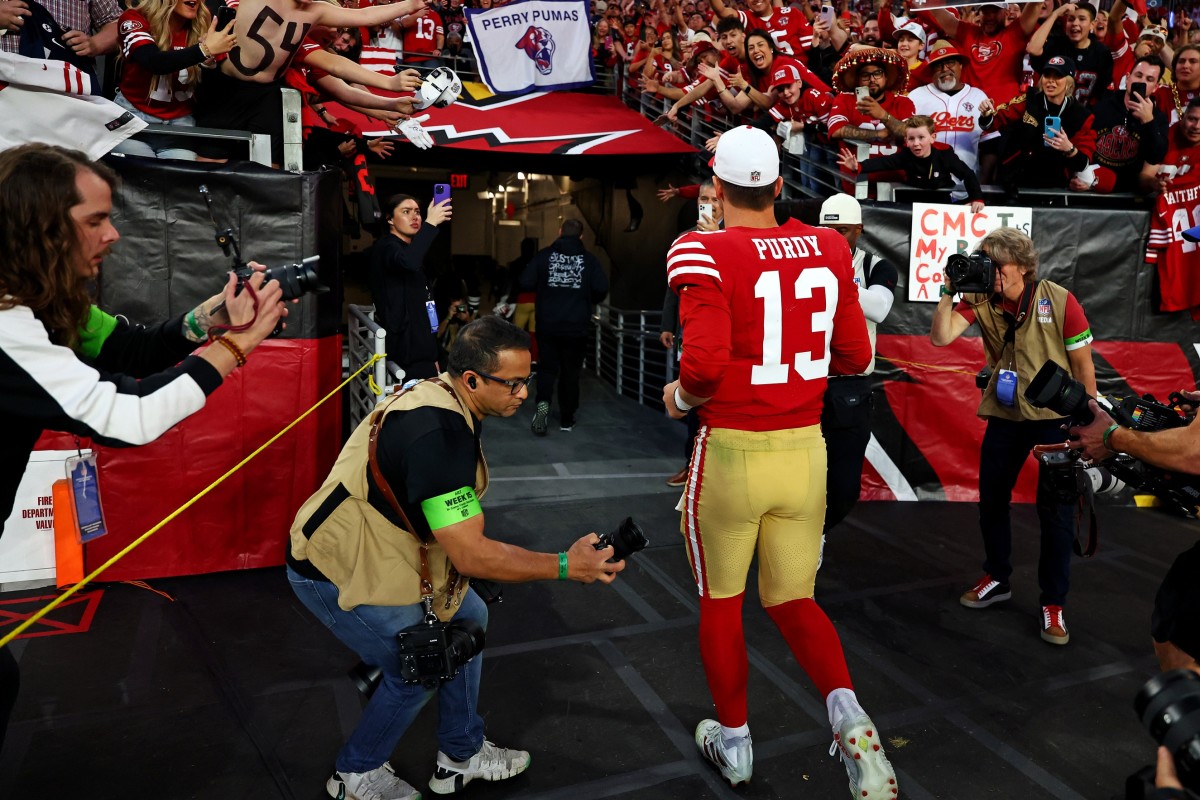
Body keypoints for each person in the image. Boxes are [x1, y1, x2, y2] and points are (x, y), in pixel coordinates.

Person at [0, 142, 287, 754]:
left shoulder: (39, 306)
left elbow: (125, 351)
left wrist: (207, 321)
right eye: (96, 221)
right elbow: (127, 415)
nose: (115, 236)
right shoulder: (7, 328)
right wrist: (239, 346)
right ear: (43, 229)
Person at [287, 315, 624, 800]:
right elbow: (470, 555)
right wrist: (568, 565)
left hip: (384, 549)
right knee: (419, 670)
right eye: (512, 384)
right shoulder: (439, 437)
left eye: (527, 380)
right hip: (330, 568)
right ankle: (354, 774)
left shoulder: (441, 395)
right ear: (470, 380)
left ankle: (459, 757)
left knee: (472, 614)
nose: (524, 394)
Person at [660, 125, 897, 798]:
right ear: (780, 185)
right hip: (805, 449)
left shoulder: (702, 248)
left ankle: (735, 743)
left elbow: (702, 367)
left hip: (733, 451)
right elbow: (856, 357)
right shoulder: (826, 245)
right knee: (795, 598)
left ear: (716, 186)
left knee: (721, 601)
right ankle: (850, 717)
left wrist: (678, 396)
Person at [929, 227, 1097, 645]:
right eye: (986, 264)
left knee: (1056, 514)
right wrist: (948, 290)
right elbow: (941, 336)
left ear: (1023, 266)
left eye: (998, 265)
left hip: (1054, 417)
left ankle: (1053, 603)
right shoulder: (980, 298)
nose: (992, 273)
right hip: (1006, 413)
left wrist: (1091, 421)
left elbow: (1083, 369)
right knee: (991, 502)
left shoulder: (1059, 300)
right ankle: (998, 578)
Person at [817, 193, 897, 534]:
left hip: (849, 384)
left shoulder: (874, 265)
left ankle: (814, 537)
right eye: (826, 230)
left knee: (844, 485)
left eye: (843, 231)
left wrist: (837, 279)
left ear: (859, 231)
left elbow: (879, 308)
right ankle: (797, 546)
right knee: (794, 479)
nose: (834, 238)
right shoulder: (804, 259)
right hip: (805, 379)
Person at [112, 0, 238, 161]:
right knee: (142, 176)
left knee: (178, 181)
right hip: (134, 117)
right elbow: (153, 61)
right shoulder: (134, 18)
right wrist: (203, 50)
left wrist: (208, 64)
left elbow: (213, 93)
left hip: (180, 124)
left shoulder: (204, 24)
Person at [518, 218, 609, 435]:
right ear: (581, 236)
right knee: (570, 373)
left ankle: (542, 407)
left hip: (548, 326)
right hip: (576, 328)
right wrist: (584, 298)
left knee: (547, 369)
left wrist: (546, 287)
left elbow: (525, 282)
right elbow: (601, 288)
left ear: (559, 232)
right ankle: (567, 419)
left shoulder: (544, 256)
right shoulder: (589, 260)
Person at [660, 179, 723, 487]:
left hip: (723, 342)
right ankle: (691, 465)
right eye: (703, 198)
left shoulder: (734, 239)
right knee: (692, 408)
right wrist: (666, 325)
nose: (707, 204)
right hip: (691, 338)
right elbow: (674, 289)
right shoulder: (685, 239)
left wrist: (717, 242)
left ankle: (710, 471)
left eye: (713, 199)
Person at [369, 191, 453, 381]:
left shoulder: (410, 248)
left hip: (423, 348)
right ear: (390, 219)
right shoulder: (387, 247)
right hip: (407, 351)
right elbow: (408, 262)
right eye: (406, 212)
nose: (415, 217)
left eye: (417, 212)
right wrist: (430, 224)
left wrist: (435, 352)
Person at [989, 55, 1097, 191]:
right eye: (1047, 75)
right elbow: (994, 121)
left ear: (1069, 82)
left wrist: (1069, 148)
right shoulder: (1029, 100)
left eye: (1057, 76)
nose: (1050, 81)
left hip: (1056, 185)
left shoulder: (1081, 115)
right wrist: (986, 115)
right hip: (1016, 180)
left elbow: (1083, 164)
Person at [837, 115, 986, 210]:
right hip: (913, 203)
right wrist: (858, 166)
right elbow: (884, 162)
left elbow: (967, 174)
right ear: (906, 141)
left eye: (921, 137)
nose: (916, 144)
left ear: (932, 138)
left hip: (940, 201)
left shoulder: (944, 154)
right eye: (911, 139)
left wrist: (977, 198)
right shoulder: (906, 155)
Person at [1073, 55, 1168, 193]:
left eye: (1149, 79)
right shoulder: (1101, 107)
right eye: (1138, 75)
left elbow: (1155, 157)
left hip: (1130, 194)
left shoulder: (1158, 118)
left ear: (1156, 87)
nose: (1141, 82)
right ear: (1128, 77)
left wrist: (1148, 121)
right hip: (1093, 188)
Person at [907, 40, 1000, 177]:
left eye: (950, 63)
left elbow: (990, 144)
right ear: (932, 70)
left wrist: (982, 184)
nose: (945, 69)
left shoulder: (978, 96)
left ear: (961, 65)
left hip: (967, 186)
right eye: (938, 65)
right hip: (926, 184)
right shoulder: (916, 96)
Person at [1027, 1, 1113, 106]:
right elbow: (1033, 49)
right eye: (1071, 19)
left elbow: (1103, 95)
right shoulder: (1056, 45)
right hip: (1051, 114)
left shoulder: (1102, 53)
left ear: (1092, 24)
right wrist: (1055, 14)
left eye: (1081, 19)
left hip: (1084, 117)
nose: (1075, 23)